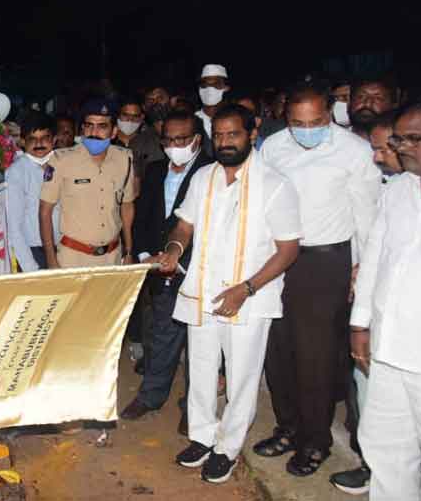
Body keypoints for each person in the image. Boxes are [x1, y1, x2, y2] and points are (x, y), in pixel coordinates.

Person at [152, 103, 302, 484]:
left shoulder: (275, 183)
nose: (225, 142)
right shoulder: (203, 177)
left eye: (233, 134)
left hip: (249, 298)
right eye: (218, 135)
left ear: (252, 133)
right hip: (202, 292)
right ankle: (202, 437)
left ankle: (227, 448)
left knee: (241, 378)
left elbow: (288, 249)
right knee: (199, 370)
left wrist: (247, 288)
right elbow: (183, 225)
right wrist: (173, 250)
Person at [256, 83, 381, 477]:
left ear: (329, 115)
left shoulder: (355, 152)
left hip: (325, 263)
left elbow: (366, 216)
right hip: (278, 258)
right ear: (286, 119)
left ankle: (315, 442)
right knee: (278, 352)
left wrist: (360, 270)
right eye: (297, 123)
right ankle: (288, 427)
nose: (306, 129)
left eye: (315, 122)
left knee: (315, 358)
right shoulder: (273, 147)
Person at [349, 103, 421, 500]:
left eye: (414, 139)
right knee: (385, 449)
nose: (403, 147)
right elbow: (375, 260)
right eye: (400, 139)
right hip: (389, 350)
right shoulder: (398, 191)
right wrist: (361, 324)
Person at [119, 110, 212, 437]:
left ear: (196, 139)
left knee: (199, 347)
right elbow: (142, 219)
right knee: (161, 336)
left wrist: (180, 259)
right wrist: (147, 256)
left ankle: (193, 409)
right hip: (159, 268)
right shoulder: (157, 170)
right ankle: (151, 396)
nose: (175, 146)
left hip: (197, 270)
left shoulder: (210, 172)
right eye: (169, 140)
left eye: (182, 139)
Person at [39, 97, 138, 270]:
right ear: (82, 129)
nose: (94, 132)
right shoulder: (61, 160)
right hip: (72, 259)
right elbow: (44, 211)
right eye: (89, 125)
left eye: (102, 126)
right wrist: (51, 259)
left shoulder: (124, 159)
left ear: (114, 131)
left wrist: (129, 252)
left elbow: (127, 207)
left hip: (112, 258)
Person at [5, 112, 59, 272]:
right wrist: (31, 269)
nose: (39, 143)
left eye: (45, 138)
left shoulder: (63, 164)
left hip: (65, 248)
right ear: (22, 141)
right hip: (34, 251)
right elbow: (14, 227)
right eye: (32, 139)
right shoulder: (17, 172)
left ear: (54, 139)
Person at [113, 94, 165, 181]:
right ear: (118, 115)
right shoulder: (107, 142)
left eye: (135, 116)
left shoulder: (152, 140)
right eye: (125, 115)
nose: (130, 120)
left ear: (142, 117)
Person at [196, 64, 231, 138]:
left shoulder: (233, 119)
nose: (209, 89)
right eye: (204, 85)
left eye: (216, 84)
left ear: (226, 88)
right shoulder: (192, 120)